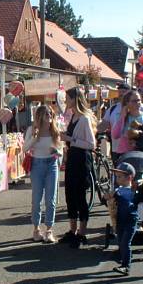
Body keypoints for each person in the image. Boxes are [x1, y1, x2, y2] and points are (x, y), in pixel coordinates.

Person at [60, 87, 96, 248]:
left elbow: (91, 144)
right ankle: (72, 230)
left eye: (67, 98)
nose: (65, 101)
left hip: (81, 159)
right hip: (72, 159)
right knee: (70, 194)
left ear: (75, 99)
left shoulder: (84, 119)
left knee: (80, 195)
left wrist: (69, 138)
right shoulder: (74, 116)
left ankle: (82, 233)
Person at [23, 105, 63, 243]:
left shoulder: (55, 132)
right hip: (37, 165)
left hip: (52, 165)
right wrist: (34, 137)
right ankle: (36, 229)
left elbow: (61, 152)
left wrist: (56, 152)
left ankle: (49, 230)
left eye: (51, 114)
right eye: (47, 114)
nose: (50, 116)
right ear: (39, 116)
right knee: (36, 200)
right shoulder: (32, 130)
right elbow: (25, 148)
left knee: (51, 200)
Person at [110, 162, 138, 276]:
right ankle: (124, 258)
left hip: (130, 220)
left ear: (129, 177)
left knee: (126, 242)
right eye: (116, 177)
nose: (117, 179)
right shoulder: (118, 190)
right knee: (121, 242)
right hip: (120, 220)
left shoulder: (133, 191)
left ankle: (126, 266)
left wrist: (116, 196)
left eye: (120, 177)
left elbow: (132, 203)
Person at [111, 89, 143, 159]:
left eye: (139, 100)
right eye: (134, 101)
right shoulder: (121, 117)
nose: (138, 103)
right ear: (127, 103)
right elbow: (115, 135)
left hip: (142, 155)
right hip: (124, 155)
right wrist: (122, 117)